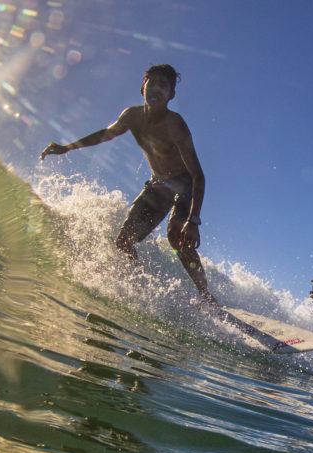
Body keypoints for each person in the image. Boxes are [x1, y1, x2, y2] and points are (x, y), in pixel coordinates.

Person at [40, 63, 215, 304]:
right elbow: (104, 134)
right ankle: (141, 290)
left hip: (184, 184)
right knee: (123, 241)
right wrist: (66, 148)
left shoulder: (176, 125)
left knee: (176, 236)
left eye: (163, 85)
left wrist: (194, 220)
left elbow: (198, 176)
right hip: (158, 184)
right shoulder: (132, 116)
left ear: (171, 95)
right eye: (151, 82)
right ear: (142, 86)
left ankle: (207, 297)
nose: (156, 88)